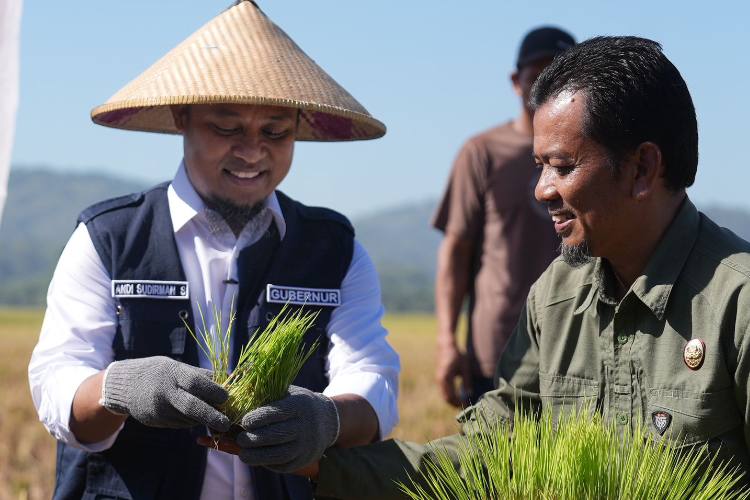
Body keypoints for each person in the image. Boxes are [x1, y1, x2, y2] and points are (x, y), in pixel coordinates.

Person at [283, 35, 750, 498]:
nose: (542, 190)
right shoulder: (556, 298)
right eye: (540, 166)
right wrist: (318, 462)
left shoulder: (737, 303)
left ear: (643, 168)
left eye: (563, 166)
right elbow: (491, 454)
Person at [27, 2, 399, 499]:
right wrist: (118, 389)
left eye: (275, 132)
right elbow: (58, 383)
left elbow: (373, 377)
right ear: (184, 117)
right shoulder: (109, 238)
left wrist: (328, 418)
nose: (251, 152)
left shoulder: (333, 250)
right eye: (226, 129)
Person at [433, 27, 574, 406]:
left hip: (575, 349)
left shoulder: (593, 158)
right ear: (516, 82)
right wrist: (447, 342)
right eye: (536, 78)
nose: (546, 89)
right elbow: (456, 252)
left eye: (560, 78)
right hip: (496, 349)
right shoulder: (483, 153)